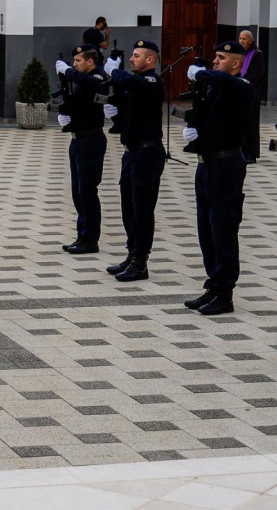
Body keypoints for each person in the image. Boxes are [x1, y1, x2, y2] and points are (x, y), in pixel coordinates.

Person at [181, 41, 252, 316]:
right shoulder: (215, 86)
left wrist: (199, 73)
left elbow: (221, 80)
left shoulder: (242, 86)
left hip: (227, 165)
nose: (214, 61)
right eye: (215, 56)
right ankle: (213, 284)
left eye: (221, 58)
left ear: (236, 64)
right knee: (206, 230)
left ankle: (225, 292)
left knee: (222, 229)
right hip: (207, 164)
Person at [103, 40, 166, 282]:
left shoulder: (151, 81)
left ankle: (140, 261)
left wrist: (113, 70)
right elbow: (126, 102)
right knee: (128, 207)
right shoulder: (135, 85)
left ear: (150, 60)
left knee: (142, 209)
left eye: (137, 55)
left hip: (147, 154)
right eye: (132, 54)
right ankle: (132, 254)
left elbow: (130, 81)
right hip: (131, 153)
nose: (131, 59)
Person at [54, 44, 108, 254]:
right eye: (73, 62)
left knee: (87, 191)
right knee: (78, 191)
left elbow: (89, 83)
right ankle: (82, 235)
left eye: (77, 61)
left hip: (91, 141)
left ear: (90, 62)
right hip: (78, 140)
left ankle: (90, 240)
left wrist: (68, 71)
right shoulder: (80, 79)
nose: (75, 65)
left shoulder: (98, 78)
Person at [239, 30, 266, 163]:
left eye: (244, 39)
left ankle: (251, 153)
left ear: (251, 40)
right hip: (240, 92)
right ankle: (241, 150)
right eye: (240, 38)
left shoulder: (257, 55)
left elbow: (257, 74)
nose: (242, 41)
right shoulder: (239, 54)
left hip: (252, 92)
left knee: (251, 123)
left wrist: (245, 84)